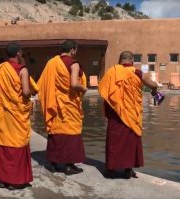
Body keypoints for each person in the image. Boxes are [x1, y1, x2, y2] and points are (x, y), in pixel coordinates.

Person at [98, 51, 158, 179]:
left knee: (114, 140)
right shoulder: (137, 72)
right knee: (130, 141)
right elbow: (153, 84)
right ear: (131, 61)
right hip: (131, 114)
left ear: (120, 60)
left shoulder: (111, 72)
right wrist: (154, 91)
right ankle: (127, 170)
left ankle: (111, 170)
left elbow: (102, 90)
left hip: (115, 113)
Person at [37, 39, 87, 175]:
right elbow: (74, 84)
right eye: (76, 50)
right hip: (69, 104)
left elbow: (41, 84)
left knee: (56, 131)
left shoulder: (52, 63)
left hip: (56, 102)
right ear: (72, 50)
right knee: (70, 134)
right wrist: (84, 88)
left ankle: (53, 163)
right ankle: (68, 165)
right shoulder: (73, 64)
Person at [0, 42, 33, 190]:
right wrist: (31, 97)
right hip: (17, 112)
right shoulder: (22, 70)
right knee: (17, 143)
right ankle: (14, 181)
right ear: (19, 53)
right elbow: (26, 92)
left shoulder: (1, 68)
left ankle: (2, 179)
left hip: (4, 112)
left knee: (4, 143)